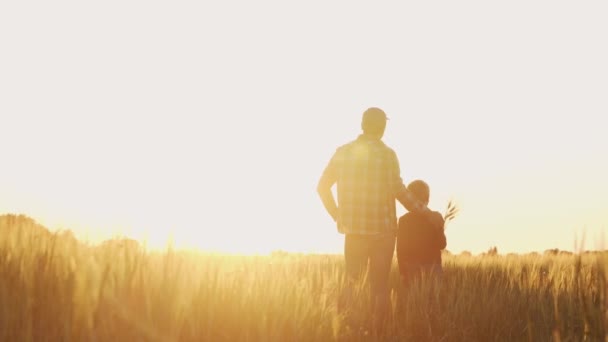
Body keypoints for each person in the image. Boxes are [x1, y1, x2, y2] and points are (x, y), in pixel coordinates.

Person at [317, 107, 441, 329]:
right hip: (383, 233)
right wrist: (427, 213)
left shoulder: (343, 152)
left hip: (353, 231)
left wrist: (338, 215)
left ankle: (349, 329)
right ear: (383, 128)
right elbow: (400, 192)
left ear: (362, 125)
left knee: (352, 283)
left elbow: (321, 187)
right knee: (379, 287)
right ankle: (378, 331)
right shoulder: (388, 155)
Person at [397, 180, 447, 286]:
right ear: (428, 199)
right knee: (434, 300)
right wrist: (440, 228)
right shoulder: (435, 217)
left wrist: (402, 271)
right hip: (433, 268)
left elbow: (400, 249)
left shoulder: (403, 220)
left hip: (411, 268)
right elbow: (442, 244)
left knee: (412, 301)